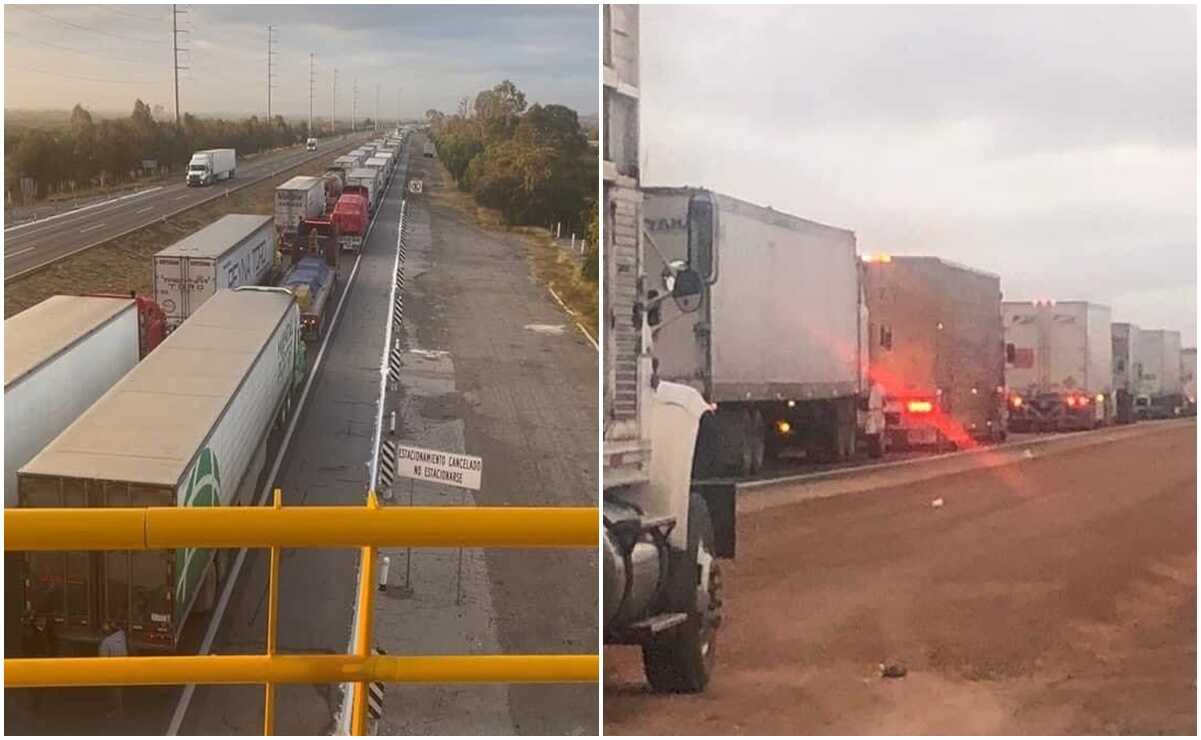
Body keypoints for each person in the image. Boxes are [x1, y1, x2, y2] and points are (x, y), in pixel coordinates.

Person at [98, 622, 128, 719]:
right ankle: (119, 709)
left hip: (113, 671)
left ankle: (117, 711)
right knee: (118, 691)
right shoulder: (121, 635)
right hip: (123, 667)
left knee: (114, 692)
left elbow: (103, 660)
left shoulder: (106, 643)